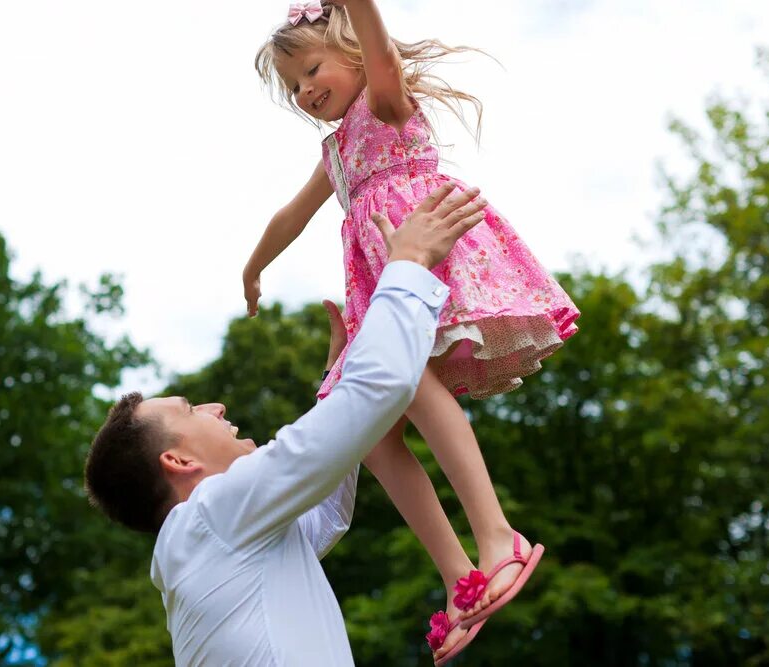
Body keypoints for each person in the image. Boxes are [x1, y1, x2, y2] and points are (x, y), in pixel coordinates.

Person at [247, 1, 581, 661]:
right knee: (369, 435)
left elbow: (383, 52)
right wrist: (254, 266)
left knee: (415, 382)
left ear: (348, 52)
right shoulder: (336, 151)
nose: (305, 90)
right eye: (293, 87)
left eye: (310, 69)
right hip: (381, 286)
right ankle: (461, 574)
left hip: (427, 255)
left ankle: (498, 533)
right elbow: (291, 214)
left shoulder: (385, 100)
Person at [85, 183, 486, 666]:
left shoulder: (214, 543)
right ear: (178, 460)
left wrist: (334, 384)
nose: (216, 408)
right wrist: (409, 263)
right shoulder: (209, 518)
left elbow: (325, 516)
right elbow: (379, 389)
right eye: (191, 410)